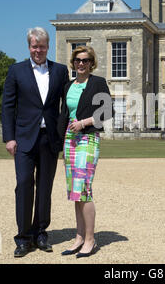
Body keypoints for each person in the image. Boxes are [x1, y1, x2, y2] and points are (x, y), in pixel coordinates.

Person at [2, 27, 69, 258]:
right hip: (23, 139)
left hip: (49, 138)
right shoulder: (16, 71)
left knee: (44, 188)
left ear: (47, 46)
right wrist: (9, 137)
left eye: (42, 46)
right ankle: (23, 237)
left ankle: (40, 232)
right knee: (23, 184)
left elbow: (66, 107)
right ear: (28, 47)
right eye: (34, 46)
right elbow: (8, 106)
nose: (38, 50)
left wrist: (61, 136)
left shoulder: (60, 71)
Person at [58, 46, 113, 258]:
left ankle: (90, 239)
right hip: (70, 140)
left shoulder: (97, 83)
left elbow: (108, 110)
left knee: (83, 188)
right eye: (78, 60)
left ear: (92, 63)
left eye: (86, 60)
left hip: (88, 138)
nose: (81, 63)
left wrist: (84, 123)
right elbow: (64, 113)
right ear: (73, 63)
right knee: (75, 191)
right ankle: (79, 237)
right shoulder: (68, 86)